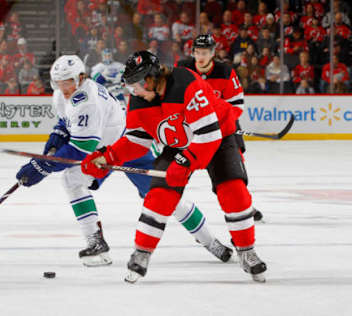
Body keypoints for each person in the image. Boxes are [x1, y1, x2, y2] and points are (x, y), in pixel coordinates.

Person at [15, 55, 232, 267]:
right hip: (104, 150)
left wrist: (41, 165)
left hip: (129, 146)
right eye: (58, 83)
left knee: (167, 196)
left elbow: (82, 150)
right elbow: (65, 124)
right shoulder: (62, 95)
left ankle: (211, 242)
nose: (64, 88)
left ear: (81, 78)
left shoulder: (88, 101)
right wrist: (54, 143)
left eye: (68, 82)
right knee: (71, 179)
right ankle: (96, 242)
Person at [81, 51, 267, 283]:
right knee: (158, 195)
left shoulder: (186, 83)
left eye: (135, 85)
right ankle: (141, 252)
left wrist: (185, 162)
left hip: (219, 136)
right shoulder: (140, 100)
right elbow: (136, 141)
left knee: (233, 192)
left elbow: (208, 137)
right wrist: (108, 157)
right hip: (179, 143)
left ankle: (246, 251)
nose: (133, 92)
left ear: (150, 78)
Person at [177, 34, 263, 221]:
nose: (200, 57)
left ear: (213, 53)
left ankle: (244, 204)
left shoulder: (225, 71)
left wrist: (218, 123)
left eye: (205, 52)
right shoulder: (182, 69)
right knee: (179, 167)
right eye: (197, 52)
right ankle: (171, 202)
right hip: (191, 129)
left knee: (232, 170)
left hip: (223, 128)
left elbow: (237, 104)